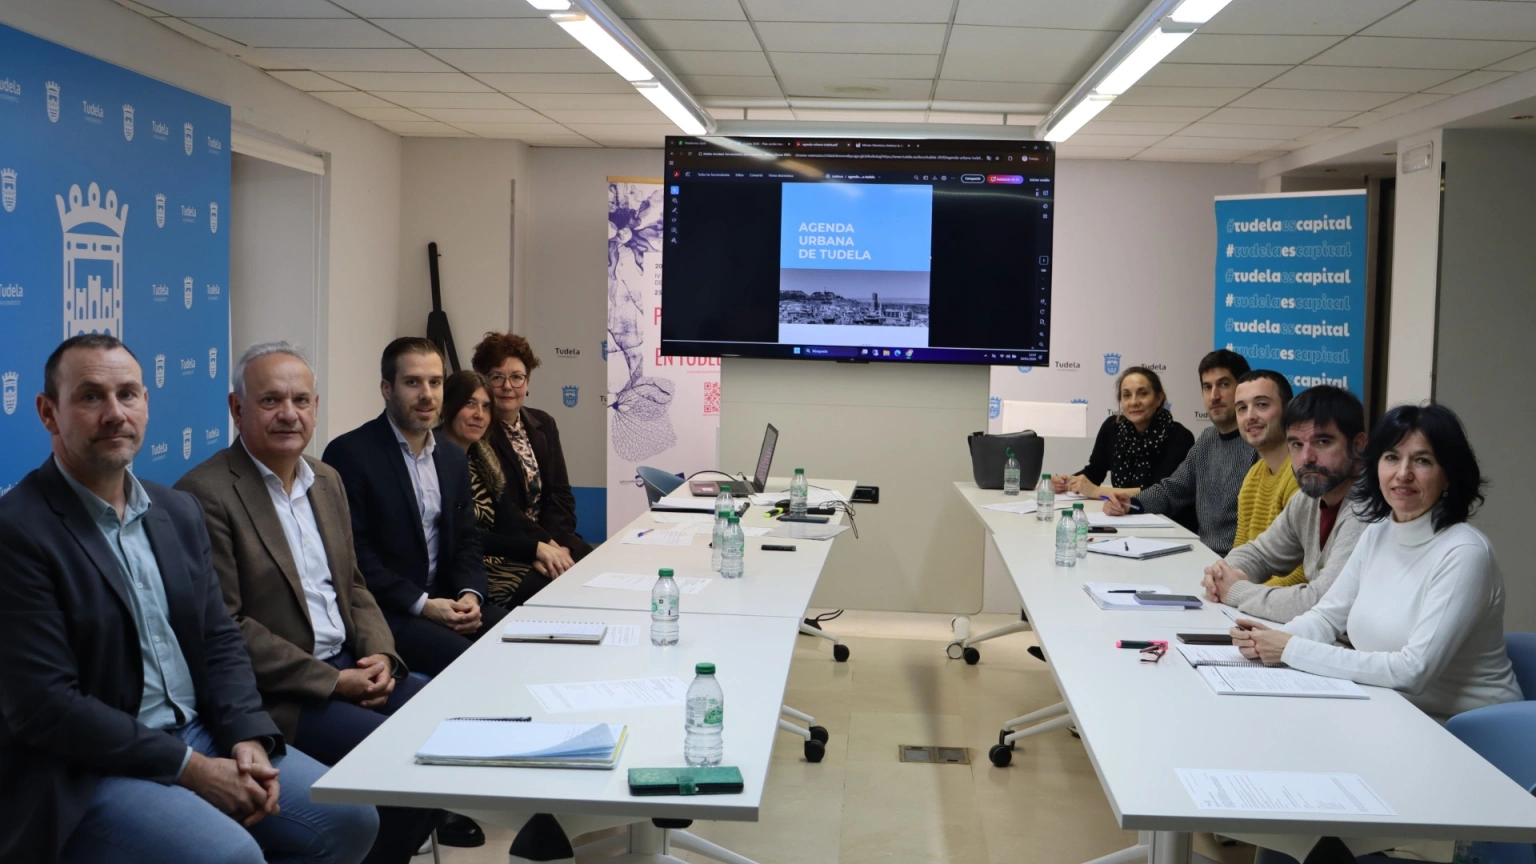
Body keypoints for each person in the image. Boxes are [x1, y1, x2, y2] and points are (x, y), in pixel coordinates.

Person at [0, 334, 377, 864]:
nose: (114, 413)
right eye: (90, 397)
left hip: (204, 731)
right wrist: (194, 770)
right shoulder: (18, 531)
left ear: (146, 403)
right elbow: (46, 707)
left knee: (351, 818)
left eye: (128, 394)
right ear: (48, 412)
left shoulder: (174, 511)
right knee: (231, 855)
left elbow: (219, 638)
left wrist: (247, 735)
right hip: (87, 767)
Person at [177, 342, 472, 860]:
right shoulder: (205, 494)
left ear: (315, 407)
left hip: (351, 663)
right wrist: (333, 682)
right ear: (237, 409)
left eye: (301, 400)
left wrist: (381, 654)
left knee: (451, 732)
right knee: (404, 760)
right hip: (282, 693)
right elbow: (227, 625)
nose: (289, 414)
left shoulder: (325, 481)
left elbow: (353, 585)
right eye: (270, 400)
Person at [1232, 403, 1521, 722]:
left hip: (1467, 729)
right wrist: (1269, 640)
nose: (1403, 473)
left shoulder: (1465, 553)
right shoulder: (1378, 532)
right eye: (1392, 457)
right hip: (1390, 709)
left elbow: (1412, 671)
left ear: (1449, 475)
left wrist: (1290, 649)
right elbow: (1327, 617)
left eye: (1422, 460)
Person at [322, 337, 508, 677]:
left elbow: (467, 540)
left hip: (448, 599)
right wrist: (424, 605)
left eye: (435, 382)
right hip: (387, 610)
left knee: (518, 637)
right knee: (473, 665)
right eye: (412, 382)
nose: (427, 395)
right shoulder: (350, 454)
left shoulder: (451, 457)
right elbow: (355, 556)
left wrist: (470, 596)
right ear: (386, 388)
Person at [1203, 385, 1371, 622]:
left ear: (1358, 445)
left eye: (1323, 442)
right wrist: (1223, 575)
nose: (1307, 458)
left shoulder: (1367, 508)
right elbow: (1260, 553)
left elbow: (1321, 603)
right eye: (1296, 444)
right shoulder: (1309, 498)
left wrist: (1236, 590)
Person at [437, 370, 575, 610]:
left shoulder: (482, 455)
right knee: (551, 590)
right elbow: (461, 536)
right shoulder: (433, 458)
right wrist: (532, 550)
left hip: (499, 556)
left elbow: (507, 519)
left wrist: (534, 554)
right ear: (448, 406)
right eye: (470, 404)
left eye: (486, 407)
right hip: (464, 566)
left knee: (567, 575)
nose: (479, 415)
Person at [1104, 349, 1257, 556]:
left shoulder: (1259, 444)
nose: (1214, 396)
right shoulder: (1207, 439)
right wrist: (1131, 503)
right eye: (1207, 387)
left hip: (1238, 562)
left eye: (1223, 384)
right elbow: (1172, 490)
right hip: (1204, 554)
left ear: (1243, 389)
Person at [470, 332, 593, 562]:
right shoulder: (476, 432)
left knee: (594, 566)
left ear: (527, 382)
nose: (507, 386)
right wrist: (542, 547)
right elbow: (502, 509)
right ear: (483, 382)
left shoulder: (544, 423)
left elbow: (560, 494)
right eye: (497, 377)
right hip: (508, 545)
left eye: (517, 377)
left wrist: (561, 546)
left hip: (552, 539)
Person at [1052, 366, 1195, 502]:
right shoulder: (1112, 427)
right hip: (1121, 512)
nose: (1133, 402)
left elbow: (1161, 492)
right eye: (1126, 395)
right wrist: (1068, 483)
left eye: (1143, 393)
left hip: (1165, 517)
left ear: (1159, 398)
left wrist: (1097, 492)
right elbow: (1095, 472)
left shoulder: (1180, 437)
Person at [1229, 370, 1302, 584]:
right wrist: (1222, 578)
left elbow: (1305, 573)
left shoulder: (1303, 474)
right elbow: (1241, 551)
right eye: (1242, 408)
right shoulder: (1253, 475)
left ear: (1288, 411)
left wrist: (1239, 591)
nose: (1250, 416)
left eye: (1262, 405)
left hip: (1281, 601)